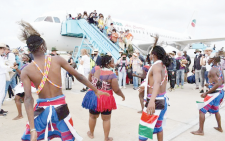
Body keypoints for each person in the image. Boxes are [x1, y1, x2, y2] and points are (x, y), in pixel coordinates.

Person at [17, 20, 108, 141]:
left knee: (34, 137)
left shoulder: (26, 70)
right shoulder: (57, 60)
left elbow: (28, 99)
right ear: (42, 45)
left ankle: (34, 132)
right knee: (67, 137)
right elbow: (79, 76)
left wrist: (33, 129)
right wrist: (96, 90)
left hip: (41, 110)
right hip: (61, 108)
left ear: (29, 50)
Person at [82, 55, 125, 141]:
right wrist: (122, 95)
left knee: (92, 116)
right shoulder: (111, 74)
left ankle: (91, 133)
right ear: (108, 63)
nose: (114, 64)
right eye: (112, 62)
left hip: (94, 96)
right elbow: (116, 89)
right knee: (106, 119)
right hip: (106, 98)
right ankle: (106, 138)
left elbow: (89, 81)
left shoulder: (94, 69)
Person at [138, 36, 170, 141]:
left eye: (151, 54)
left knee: (143, 132)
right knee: (158, 127)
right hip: (162, 99)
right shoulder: (162, 66)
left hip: (155, 101)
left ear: (154, 55)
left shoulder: (156, 66)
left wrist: (151, 101)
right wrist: (145, 86)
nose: (150, 56)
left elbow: (157, 82)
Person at [191, 53, 224, 136]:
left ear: (213, 60)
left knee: (201, 109)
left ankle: (200, 130)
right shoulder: (220, 68)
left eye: (209, 58)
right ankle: (219, 127)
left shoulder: (213, 69)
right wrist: (209, 85)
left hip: (213, 94)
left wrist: (207, 92)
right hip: (220, 93)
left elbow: (218, 83)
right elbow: (222, 81)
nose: (207, 60)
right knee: (216, 110)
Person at [12, 54, 35, 120]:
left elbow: (22, 73)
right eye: (22, 57)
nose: (23, 58)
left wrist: (16, 69)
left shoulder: (28, 65)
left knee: (17, 98)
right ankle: (30, 113)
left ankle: (20, 115)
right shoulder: (27, 64)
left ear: (28, 59)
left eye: (24, 58)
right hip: (24, 83)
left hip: (26, 84)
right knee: (25, 98)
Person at [0, 43, 9, 116]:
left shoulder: (1, 57)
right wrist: (10, 66)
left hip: (2, 75)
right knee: (1, 93)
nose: (4, 50)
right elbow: (3, 66)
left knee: (2, 93)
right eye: (2, 49)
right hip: (1, 75)